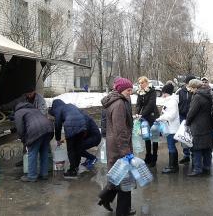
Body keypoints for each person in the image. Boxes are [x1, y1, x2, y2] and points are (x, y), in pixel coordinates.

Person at [98, 77, 135, 216]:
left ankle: (105, 197)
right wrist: (126, 151)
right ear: (120, 90)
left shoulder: (116, 100)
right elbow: (120, 130)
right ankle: (123, 212)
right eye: (128, 90)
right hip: (119, 147)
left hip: (115, 145)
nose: (130, 92)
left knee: (118, 177)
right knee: (125, 182)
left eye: (131, 90)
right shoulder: (119, 103)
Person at [49, 99, 101, 178]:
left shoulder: (58, 109)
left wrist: (58, 139)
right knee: (77, 147)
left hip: (70, 125)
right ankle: (75, 167)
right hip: (82, 125)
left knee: (71, 150)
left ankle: (72, 170)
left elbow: (57, 125)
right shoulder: (70, 106)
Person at [14, 102, 54, 182]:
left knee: (32, 153)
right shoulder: (35, 109)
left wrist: (23, 139)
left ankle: (31, 176)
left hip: (36, 131)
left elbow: (20, 128)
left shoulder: (18, 112)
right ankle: (44, 174)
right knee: (44, 152)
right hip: (49, 129)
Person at [185, 79, 213, 176]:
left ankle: (197, 169)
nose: (189, 90)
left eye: (190, 87)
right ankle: (207, 167)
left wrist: (187, 122)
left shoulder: (197, 97)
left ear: (194, 87)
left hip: (198, 125)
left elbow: (192, 112)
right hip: (208, 124)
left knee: (197, 148)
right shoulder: (209, 94)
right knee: (207, 148)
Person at [136, 76, 160, 167]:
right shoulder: (140, 92)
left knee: (154, 137)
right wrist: (137, 113)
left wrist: (143, 114)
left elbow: (151, 104)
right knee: (146, 136)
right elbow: (138, 104)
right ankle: (148, 155)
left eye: (142, 83)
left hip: (153, 115)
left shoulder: (152, 91)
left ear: (146, 82)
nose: (140, 84)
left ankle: (154, 157)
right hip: (145, 116)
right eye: (139, 83)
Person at [157, 83, 180, 174]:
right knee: (171, 146)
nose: (162, 95)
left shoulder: (172, 102)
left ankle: (172, 166)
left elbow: (171, 115)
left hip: (172, 128)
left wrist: (160, 118)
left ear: (166, 93)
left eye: (163, 93)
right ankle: (173, 165)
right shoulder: (169, 101)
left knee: (171, 146)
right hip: (169, 127)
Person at [176, 75, 196, 164]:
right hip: (182, 116)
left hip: (193, 117)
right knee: (183, 136)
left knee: (193, 136)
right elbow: (177, 103)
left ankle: (194, 154)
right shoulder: (181, 91)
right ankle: (186, 155)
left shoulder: (195, 91)